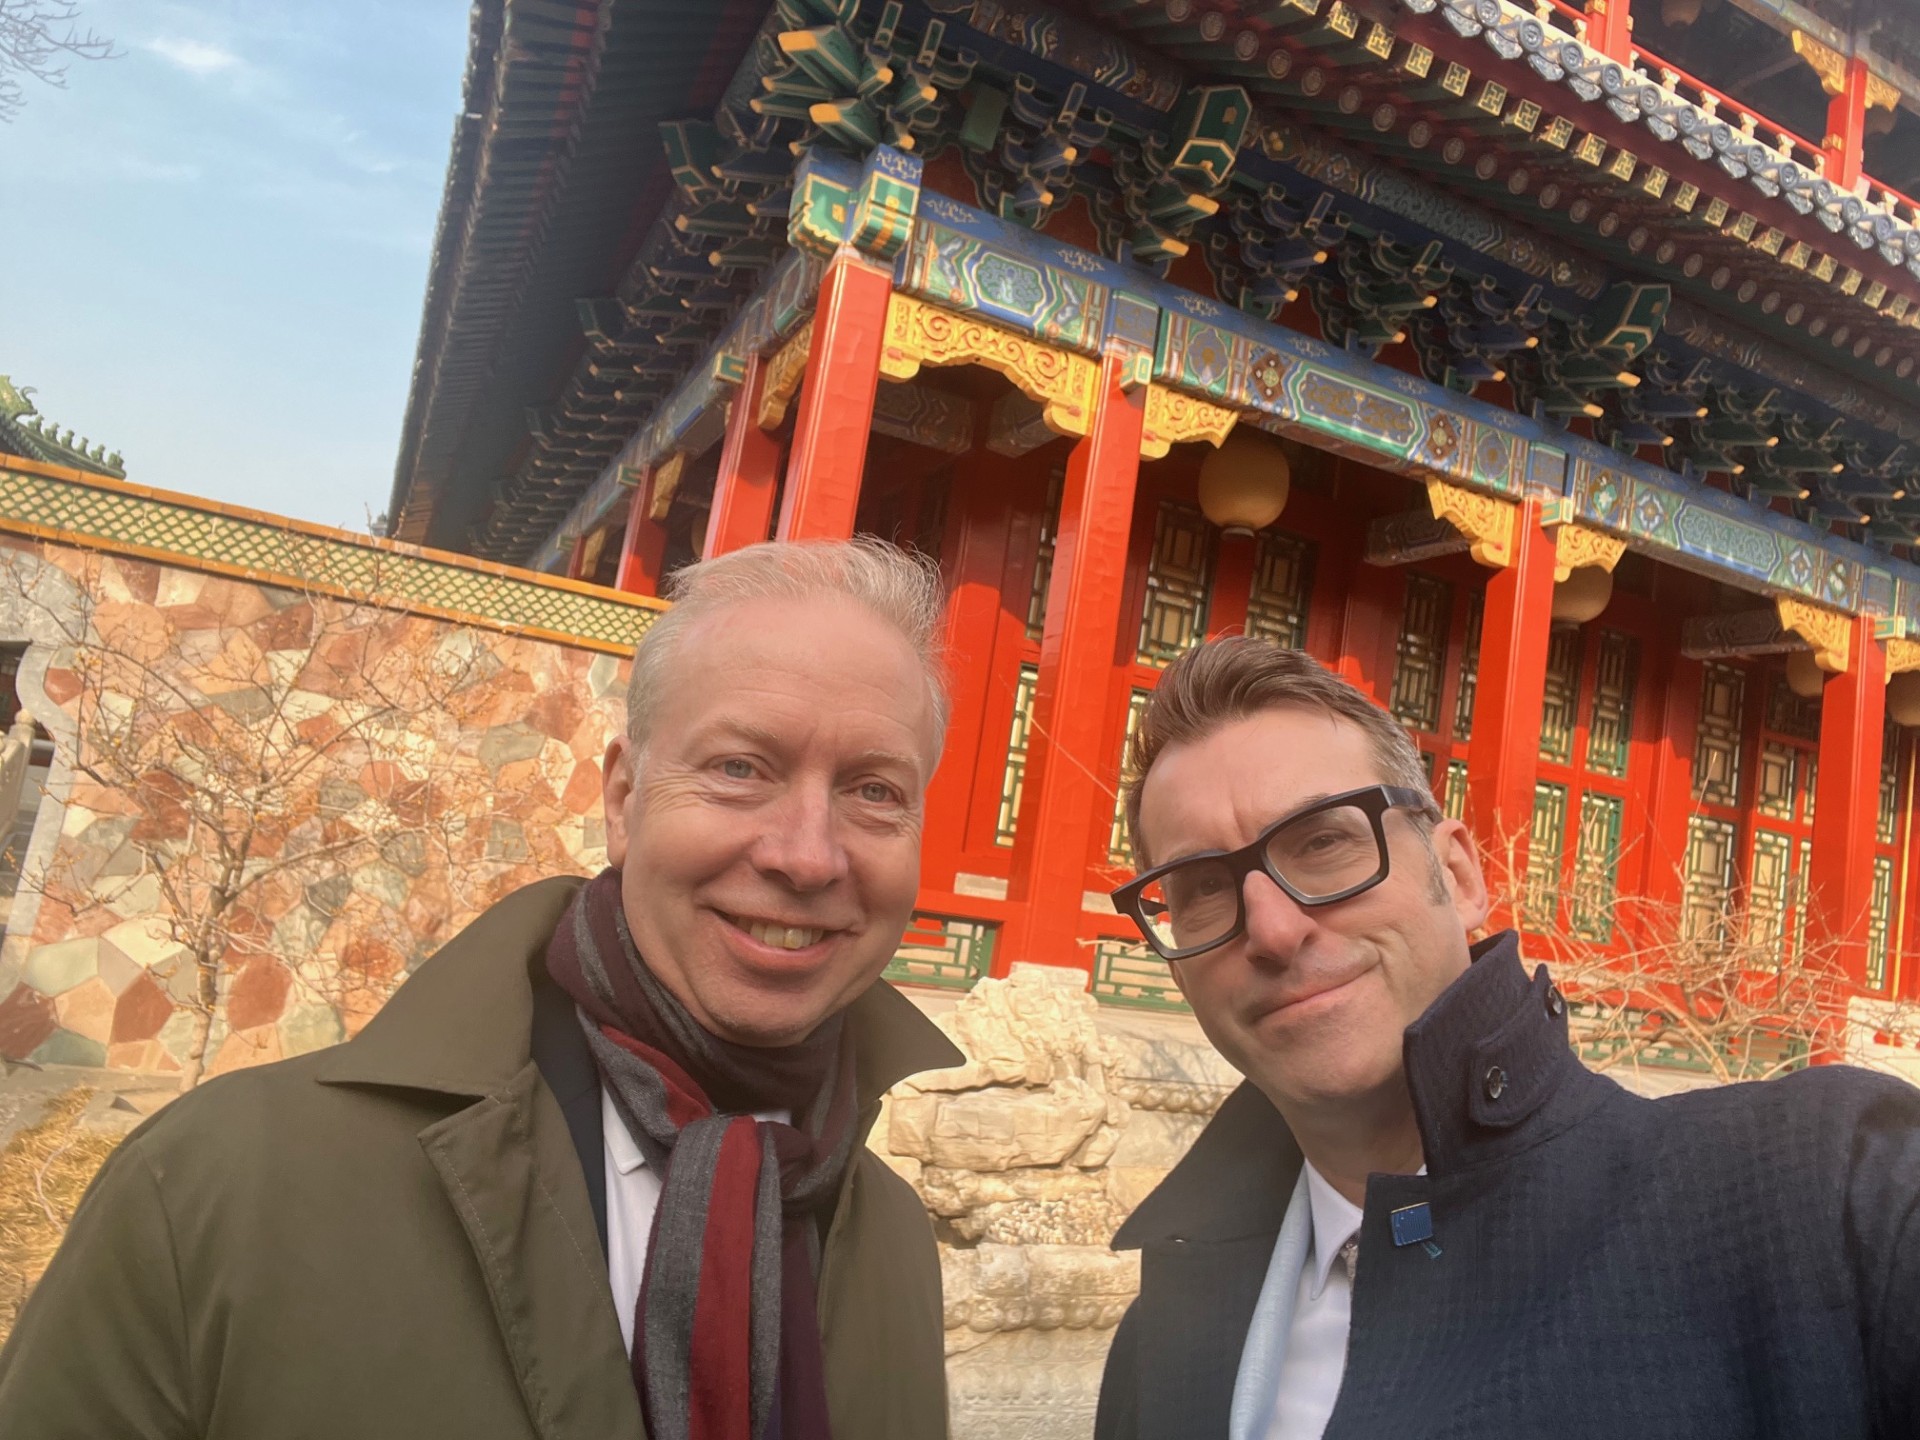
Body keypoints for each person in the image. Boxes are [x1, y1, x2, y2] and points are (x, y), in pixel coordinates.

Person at [0, 538, 962, 1440]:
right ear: (624, 800)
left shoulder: (892, 1249)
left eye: (875, 790)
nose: (806, 855)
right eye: (740, 768)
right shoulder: (221, 1187)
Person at [1093, 637, 1920, 1440]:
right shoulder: (1163, 1343)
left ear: (1457, 876)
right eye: (1202, 888)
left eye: (1323, 843)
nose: (1273, 930)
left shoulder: (1821, 1198)